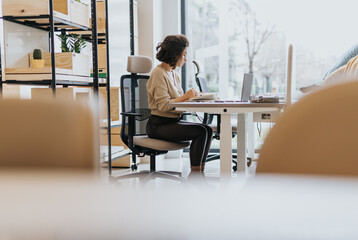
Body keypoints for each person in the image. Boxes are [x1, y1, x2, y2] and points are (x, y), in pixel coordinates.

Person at [146, 35, 213, 173]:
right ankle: (195, 174)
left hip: (172, 122)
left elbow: (179, 100)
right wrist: (185, 96)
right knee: (201, 132)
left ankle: (201, 170)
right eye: (184, 54)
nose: (185, 59)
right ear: (175, 54)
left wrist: (194, 98)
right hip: (158, 125)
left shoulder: (174, 74)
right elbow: (163, 106)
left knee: (208, 129)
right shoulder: (159, 73)